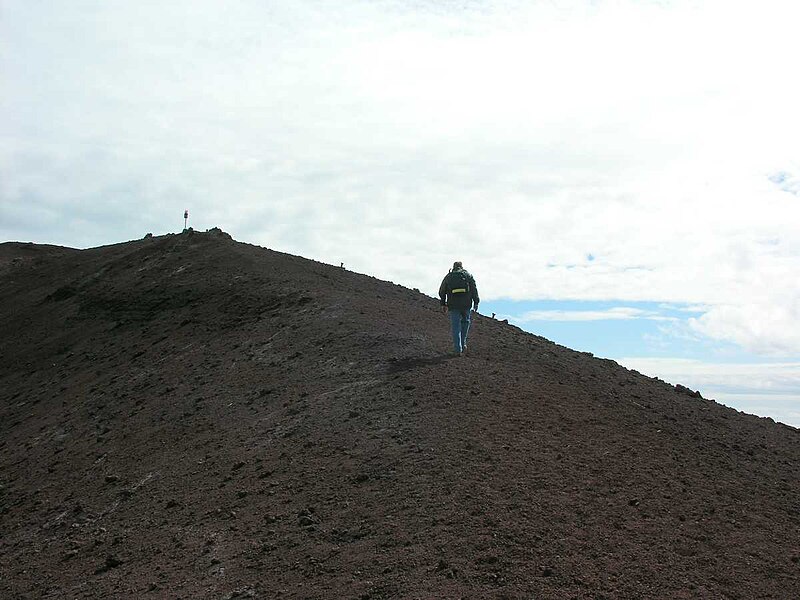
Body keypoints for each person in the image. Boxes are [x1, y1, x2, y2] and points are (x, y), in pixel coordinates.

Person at [439, 261, 479, 356]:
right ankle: (463, 343)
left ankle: (457, 349)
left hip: (453, 305)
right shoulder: (468, 275)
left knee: (455, 326)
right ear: (462, 267)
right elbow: (474, 289)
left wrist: (443, 304)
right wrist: (476, 302)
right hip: (466, 305)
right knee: (465, 322)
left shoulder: (448, 277)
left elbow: (442, 291)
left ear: (453, 267)